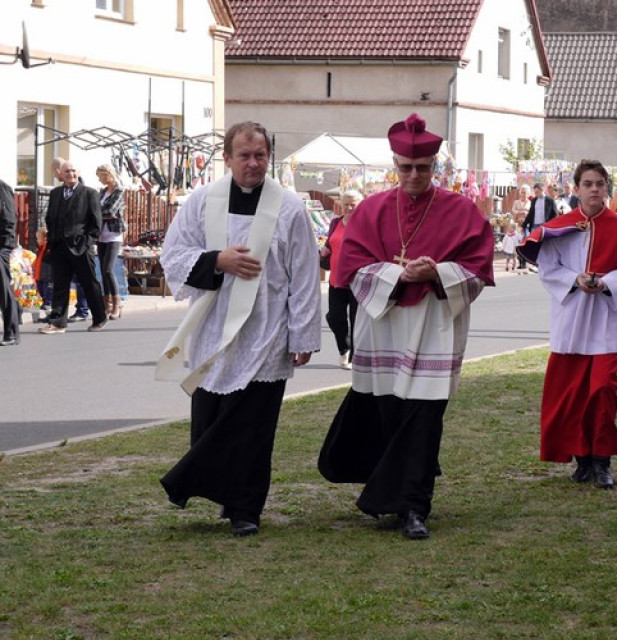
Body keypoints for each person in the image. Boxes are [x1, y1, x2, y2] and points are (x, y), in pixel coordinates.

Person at [318, 113, 495, 540]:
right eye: (406, 167)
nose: (414, 175)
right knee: (389, 414)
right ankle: (395, 496)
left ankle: (414, 506)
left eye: (423, 168)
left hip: (435, 325)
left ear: (436, 167)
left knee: (424, 418)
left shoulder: (461, 210)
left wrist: (437, 272)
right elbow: (350, 267)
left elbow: (478, 268)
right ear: (394, 165)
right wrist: (398, 275)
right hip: (384, 325)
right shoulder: (371, 209)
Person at [156, 121, 321, 536]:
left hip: (267, 329)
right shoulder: (201, 201)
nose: (253, 163)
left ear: (269, 157)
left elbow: (303, 275)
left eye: (260, 155)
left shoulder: (288, 207)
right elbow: (173, 254)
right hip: (214, 328)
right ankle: (217, 493)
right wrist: (217, 261)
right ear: (227, 159)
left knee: (253, 427)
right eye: (244, 156)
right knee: (213, 421)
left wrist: (303, 335)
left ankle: (245, 508)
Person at [518, 159, 617, 488]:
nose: (595, 189)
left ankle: (602, 461)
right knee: (571, 396)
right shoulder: (560, 227)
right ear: (577, 188)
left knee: (601, 392)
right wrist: (576, 278)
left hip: (607, 323)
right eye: (588, 183)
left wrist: (606, 282)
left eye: (600, 183)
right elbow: (548, 268)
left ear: (607, 189)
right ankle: (582, 459)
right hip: (571, 321)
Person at [38, 160, 107, 334]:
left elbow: (96, 223)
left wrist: (87, 243)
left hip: (81, 247)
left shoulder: (89, 193)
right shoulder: (55, 193)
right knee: (60, 285)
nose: (71, 174)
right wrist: (52, 240)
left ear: (79, 172)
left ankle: (99, 318)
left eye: (73, 171)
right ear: (61, 174)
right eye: (67, 171)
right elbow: (49, 218)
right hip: (59, 247)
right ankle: (58, 322)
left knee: (89, 283)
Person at [321, 189, 363, 369]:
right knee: (334, 317)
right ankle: (343, 348)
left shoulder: (365, 224)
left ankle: (354, 357)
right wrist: (324, 251)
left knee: (356, 321)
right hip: (336, 280)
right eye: (346, 204)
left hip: (357, 281)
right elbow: (329, 244)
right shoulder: (335, 223)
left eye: (353, 203)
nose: (350, 207)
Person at [96, 163, 125, 320]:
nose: (99, 179)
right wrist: (102, 214)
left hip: (114, 234)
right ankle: (106, 304)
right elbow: (95, 210)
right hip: (101, 234)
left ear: (108, 174)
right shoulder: (102, 192)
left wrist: (101, 213)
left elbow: (110, 210)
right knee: (102, 269)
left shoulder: (119, 191)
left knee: (108, 269)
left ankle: (117, 304)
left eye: (101, 176)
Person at [519, 183, 557, 271]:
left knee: (545, 245)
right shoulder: (534, 200)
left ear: (542, 190)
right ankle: (536, 265)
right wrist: (524, 225)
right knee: (535, 245)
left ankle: (547, 264)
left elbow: (554, 213)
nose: (535, 194)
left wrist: (551, 225)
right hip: (534, 226)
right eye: (535, 192)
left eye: (537, 192)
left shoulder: (549, 200)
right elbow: (530, 214)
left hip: (545, 226)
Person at [0, 176, 19, 347]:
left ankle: (11, 332)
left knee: (3, 287)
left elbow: (9, 220)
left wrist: (6, 246)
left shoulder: (2, 188)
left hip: (1, 247)